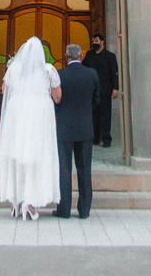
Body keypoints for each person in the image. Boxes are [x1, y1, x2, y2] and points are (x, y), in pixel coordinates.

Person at [0, 36, 62, 220]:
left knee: (16, 155)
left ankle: (14, 203)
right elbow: (57, 96)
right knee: (35, 157)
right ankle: (30, 203)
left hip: (16, 116)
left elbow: (4, 90)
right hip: (39, 118)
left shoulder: (14, 69)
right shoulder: (48, 70)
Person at [52, 42, 100, 219]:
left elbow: (55, 100)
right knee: (84, 168)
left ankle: (64, 209)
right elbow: (96, 99)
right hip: (85, 127)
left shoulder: (60, 75)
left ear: (66, 56)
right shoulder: (92, 74)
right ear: (80, 56)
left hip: (64, 127)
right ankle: (85, 210)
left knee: (64, 168)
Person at [82, 32, 119, 147]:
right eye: (93, 41)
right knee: (93, 115)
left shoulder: (110, 56)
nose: (94, 43)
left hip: (105, 90)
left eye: (96, 40)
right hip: (92, 91)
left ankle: (106, 139)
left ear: (103, 42)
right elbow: (84, 69)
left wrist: (115, 88)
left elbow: (114, 73)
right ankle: (95, 138)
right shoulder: (89, 55)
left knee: (105, 115)